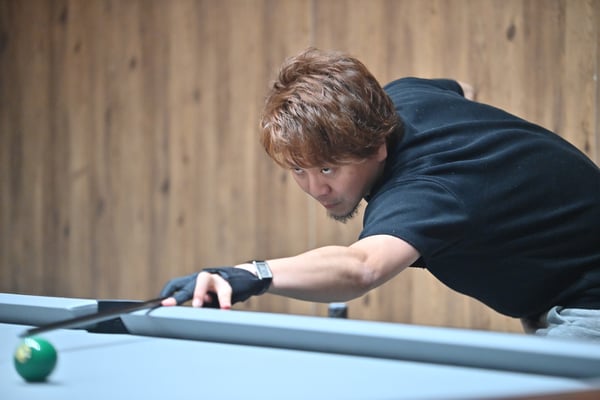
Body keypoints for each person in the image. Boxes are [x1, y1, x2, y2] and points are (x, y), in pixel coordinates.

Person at [160, 48, 600, 341]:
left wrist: (249, 275)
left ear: (377, 147)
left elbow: (362, 268)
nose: (316, 189)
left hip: (588, 303)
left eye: (328, 168)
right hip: (554, 289)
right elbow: (461, 89)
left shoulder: (424, 192)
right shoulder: (400, 96)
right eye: (298, 170)